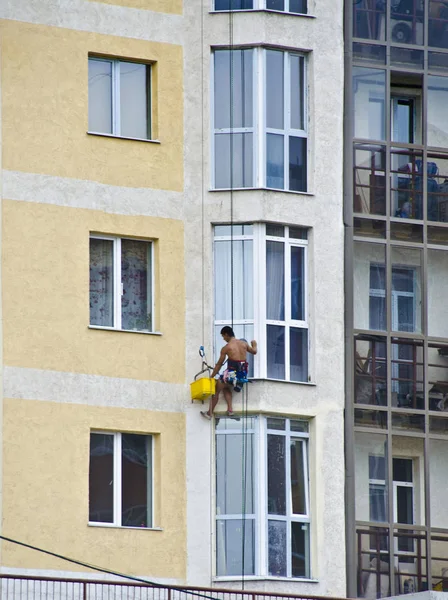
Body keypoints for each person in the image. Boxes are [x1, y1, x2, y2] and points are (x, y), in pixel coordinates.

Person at [201, 326, 257, 420]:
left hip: (231, 374)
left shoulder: (226, 348)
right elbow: (254, 351)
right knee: (226, 387)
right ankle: (230, 410)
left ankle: (209, 413)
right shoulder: (244, 344)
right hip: (242, 375)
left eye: (223, 336)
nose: (224, 339)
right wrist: (254, 344)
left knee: (216, 390)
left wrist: (212, 376)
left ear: (226, 334)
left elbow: (219, 364)